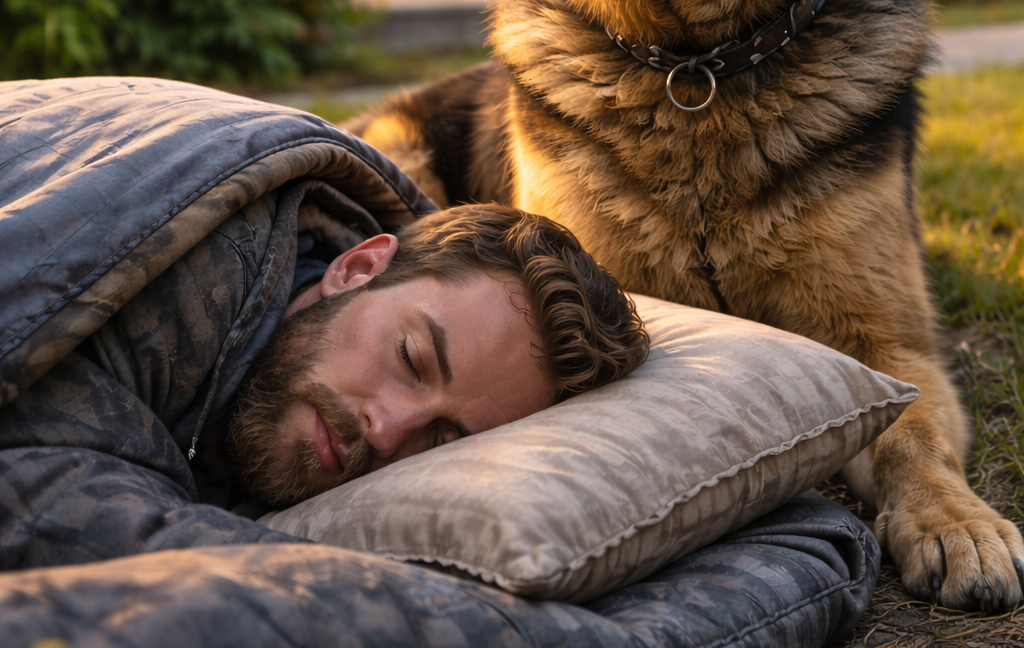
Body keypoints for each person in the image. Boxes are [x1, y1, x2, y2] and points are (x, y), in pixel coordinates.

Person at [0, 200, 647, 571]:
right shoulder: (185, 268)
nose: (388, 431)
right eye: (411, 358)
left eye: (443, 437)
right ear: (357, 267)